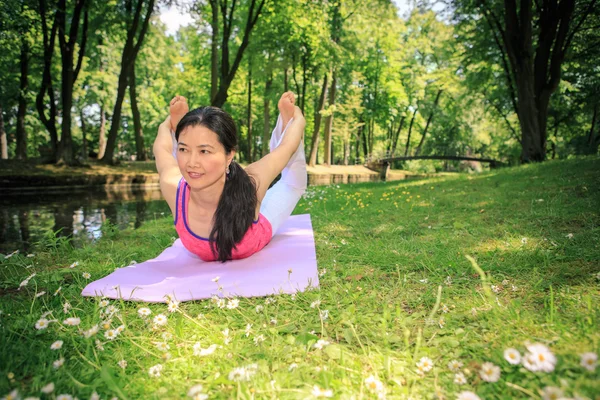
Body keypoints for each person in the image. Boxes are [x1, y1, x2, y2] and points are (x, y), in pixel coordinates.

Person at [153, 92, 307, 262]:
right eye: (183, 149)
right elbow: (162, 149)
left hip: (258, 228)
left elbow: (286, 147)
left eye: (204, 151)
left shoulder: (251, 184)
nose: (192, 163)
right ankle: (180, 129)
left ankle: (285, 123)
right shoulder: (173, 189)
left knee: (293, 184)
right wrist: (170, 123)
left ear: (229, 155)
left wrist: (297, 120)